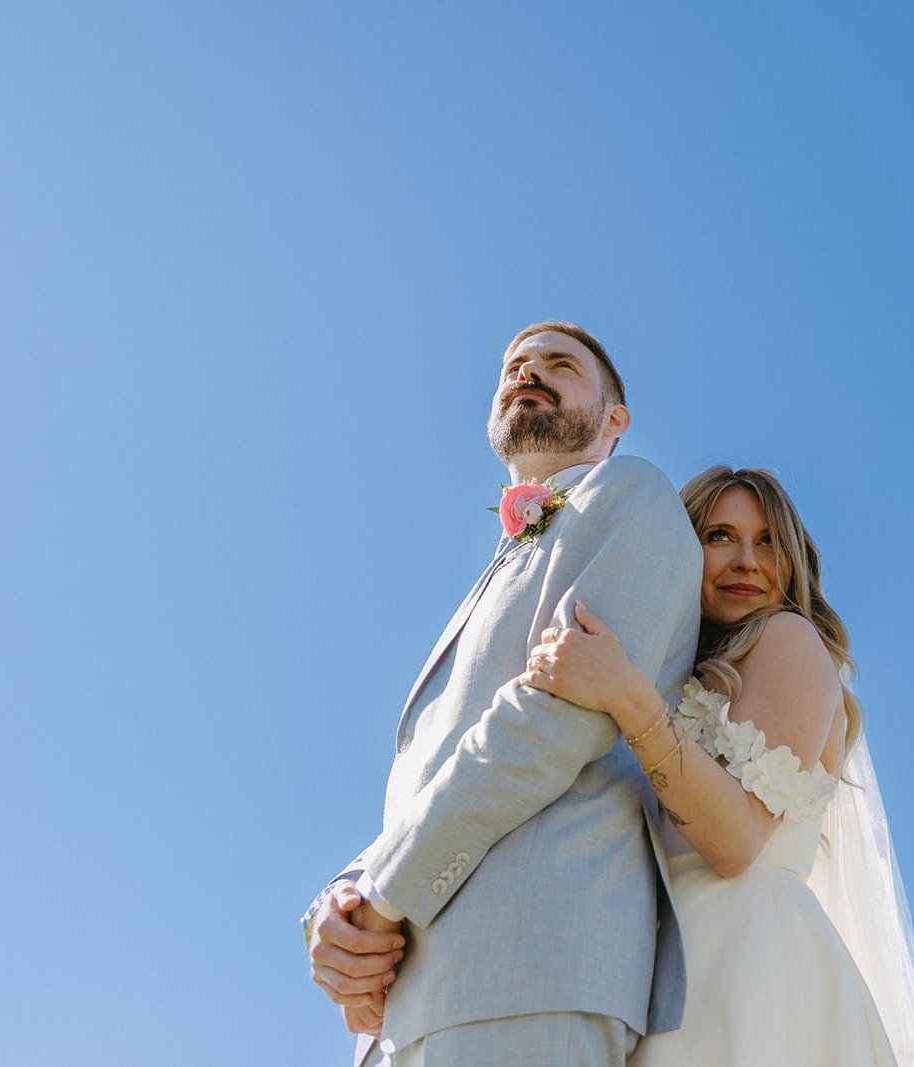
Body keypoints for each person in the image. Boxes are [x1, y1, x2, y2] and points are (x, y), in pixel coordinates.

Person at [300, 322, 703, 1067]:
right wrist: (341, 904)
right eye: (515, 365)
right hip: (406, 1007)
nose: (529, 373)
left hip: (528, 973)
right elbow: (439, 765)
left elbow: (551, 723)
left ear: (616, 418)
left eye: (561, 364)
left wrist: (385, 896)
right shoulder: (497, 566)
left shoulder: (631, 494)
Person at [517, 466, 914, 1066]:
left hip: (744, 962)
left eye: (767, 541)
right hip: (656, 962)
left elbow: (738, 841)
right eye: (719, 536)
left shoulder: (789, 639)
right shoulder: (682, 671)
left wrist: (626, 695)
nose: (747, 560)